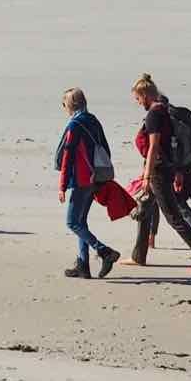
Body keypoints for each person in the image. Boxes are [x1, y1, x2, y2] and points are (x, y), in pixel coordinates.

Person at [126, 74, 191, 273]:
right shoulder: (165, 110)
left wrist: (146, 176)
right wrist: (178, 170)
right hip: (168, 168)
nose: (138, 103)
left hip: (159, 171)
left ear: (145, 95)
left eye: (138, 99)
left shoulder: (154, 115)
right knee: (145, 207)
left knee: (173, 216)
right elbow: (171, 144)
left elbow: (154, 147)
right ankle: (139, 256)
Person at [54, 87, 120, 279]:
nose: (63, 107)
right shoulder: (93, 121)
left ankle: (105, 252)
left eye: (64, 104)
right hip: (96, 178)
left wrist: (62, 186)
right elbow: (106, 149)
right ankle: (83, 264)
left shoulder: (75, 126)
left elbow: (67, 157)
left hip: (81, 180)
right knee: (81, 222)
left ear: (71, 105)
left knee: (72, 222)